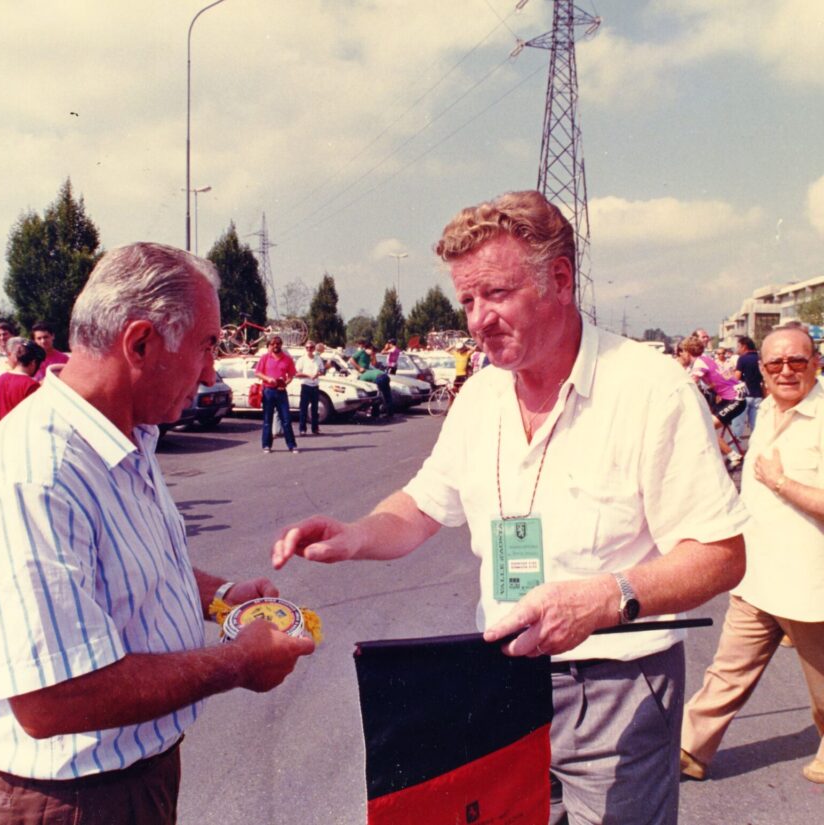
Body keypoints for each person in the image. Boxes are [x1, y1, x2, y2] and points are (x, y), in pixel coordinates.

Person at [271, 190, 747, 825]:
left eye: (495, 294)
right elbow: (421, 505)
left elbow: (720, 555)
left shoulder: (649, 389)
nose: (476, 319)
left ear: (560, 279)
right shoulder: (480, 397)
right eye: (466, 300)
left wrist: (607, 597)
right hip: (499, 680)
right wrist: (355, 534)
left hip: (617, 688)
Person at [0, 242, 315, 825]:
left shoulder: (124, 439)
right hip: (63, 801)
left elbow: (133, 566)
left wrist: (219, 596)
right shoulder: (37, 474)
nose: (212, 372)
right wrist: (237, 663)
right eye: (207, 347)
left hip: (120, 783)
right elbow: (51, 697)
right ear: (139, 343)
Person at [680, 326, 824, 786]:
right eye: (776, 364)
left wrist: (783, 483)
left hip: (810, 585)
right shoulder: (765, 413)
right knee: (725, 672)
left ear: (816, 363)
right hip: (758, 573)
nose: (786, 371)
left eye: (797, 362)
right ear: (761, 370)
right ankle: (688, 749)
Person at [678, 335, 746, 469]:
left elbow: (690, 383)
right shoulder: (707, 359)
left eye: (683, 352)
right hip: (732, 397)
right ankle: (725, 454)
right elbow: (716, 382)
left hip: (735, 399)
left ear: (687, 351)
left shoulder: (699, 363)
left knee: (704, 427)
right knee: (703, 425)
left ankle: (733, 456)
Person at [254, 334, 298, 453]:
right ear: (270, 345)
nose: (275, 346)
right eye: (273, 344)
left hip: (281, 392)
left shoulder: (287, 359)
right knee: (267, 420)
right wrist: (268, 379)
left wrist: (285, 383)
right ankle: (266, 445)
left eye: (277, 343)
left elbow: (292, 374)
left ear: (281, 345)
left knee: (286, 419)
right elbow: (258, 373)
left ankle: (292, 445)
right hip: (268, 391)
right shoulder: (265, 358)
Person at [0, 340, 45, 421]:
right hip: (23, 430)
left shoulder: (0, 379)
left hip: (5, 429)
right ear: (33, 362)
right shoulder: (31, 384)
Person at [0, 336, 30, 426]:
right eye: (17, 353)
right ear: (8, 354)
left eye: (23, 352)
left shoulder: (26, 369)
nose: (20, 355)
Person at [349, 340, 394, 417]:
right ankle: (385, 412)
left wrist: (373, 356)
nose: (372, 351)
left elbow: (374, 364)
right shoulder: (361, 353)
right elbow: (351, 360)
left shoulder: (368, 356)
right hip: (368, 374)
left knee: (379, 395)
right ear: (368, 348)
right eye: (372, 349)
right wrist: (359, 368)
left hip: (371, 375)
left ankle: (379, 412)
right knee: (383, 395)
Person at [734, 335, 763, 435]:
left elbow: (736, 377)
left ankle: (734, 447)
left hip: (744, 396)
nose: (738, 349)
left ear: (744, 346)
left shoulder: (743, 359)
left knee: (738, 425)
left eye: (738, 346)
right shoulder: (759, 358)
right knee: (756, 425)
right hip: (758, 395)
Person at [294, 340, 325, 436]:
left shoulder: (318, 358)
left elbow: (322, 370)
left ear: (314, 348)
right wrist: (308, 375)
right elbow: (297, 374)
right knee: (303, 409)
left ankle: (315, 428)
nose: (309, 349)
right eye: (307, 347)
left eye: (311, 347)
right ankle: (302, 429)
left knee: (315, 409)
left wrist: (318, 374)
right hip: (306, 386)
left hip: (315, 386)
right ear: (305, 348)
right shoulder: (301, 360)